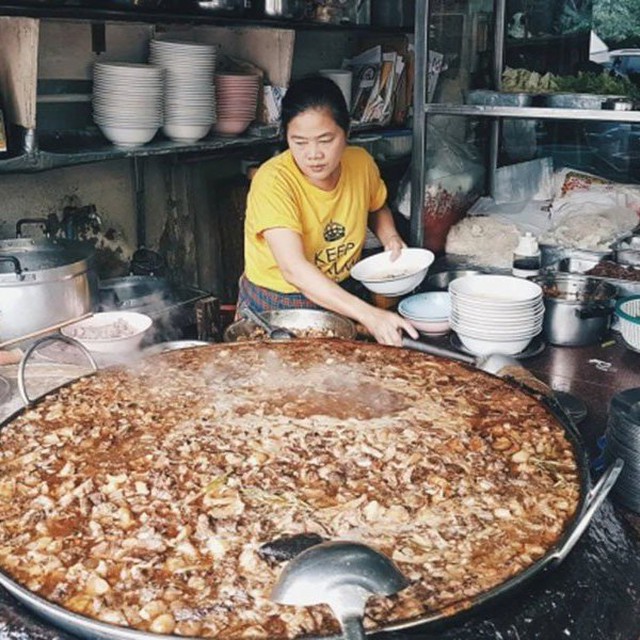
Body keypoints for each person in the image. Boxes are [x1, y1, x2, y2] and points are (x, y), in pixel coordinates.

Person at [238, 75, 418, 346]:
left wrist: (390, 237)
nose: (313, 154)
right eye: (299, 142)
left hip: (338, 291)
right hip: (279, 302)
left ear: (346, 133)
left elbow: (376, 206)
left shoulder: (361, 163)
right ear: (286, 137)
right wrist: (369, 314)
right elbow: (294, 270)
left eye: (325, 140)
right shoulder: (273, 181)